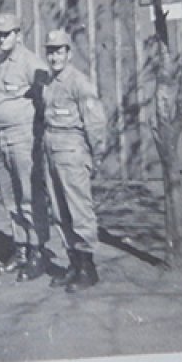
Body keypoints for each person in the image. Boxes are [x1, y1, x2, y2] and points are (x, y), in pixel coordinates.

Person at [41, 30, 108, 292]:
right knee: (59, 211)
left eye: (59, 51)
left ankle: (87, 268)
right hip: (52, 150)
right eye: (50, 51)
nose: (54, 56)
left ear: (68, 53)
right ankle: (73, 263)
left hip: (72, 151)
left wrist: (96, 154)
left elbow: (96, 121)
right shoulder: (49, 82)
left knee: (79, 209)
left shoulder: (79, 82)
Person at [0, 12, 48, 282]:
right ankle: (20, 250)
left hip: (22, 137)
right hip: (1, 138)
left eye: (7, 33)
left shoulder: (29, 61)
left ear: (18, 35)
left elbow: (47, 92)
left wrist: (40, 130)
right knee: (10, 199)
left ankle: (37, 252)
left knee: (28, 197)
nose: (2, 38)